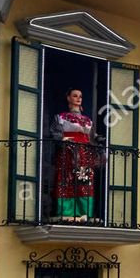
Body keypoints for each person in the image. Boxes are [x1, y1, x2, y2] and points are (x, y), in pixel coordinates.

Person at [50, 88, 101, 222]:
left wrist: (98, 141)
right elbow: (56, 134)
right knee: (66, 180)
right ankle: (66, 212)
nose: (78, 98)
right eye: (75, 96)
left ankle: (84, 213)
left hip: (84, 155)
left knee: (84, 183)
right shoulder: (60, 117)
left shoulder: (88, 120)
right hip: (67, 152)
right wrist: (64, 141)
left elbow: (92, 137)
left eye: (80, 96)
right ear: (68, 98)